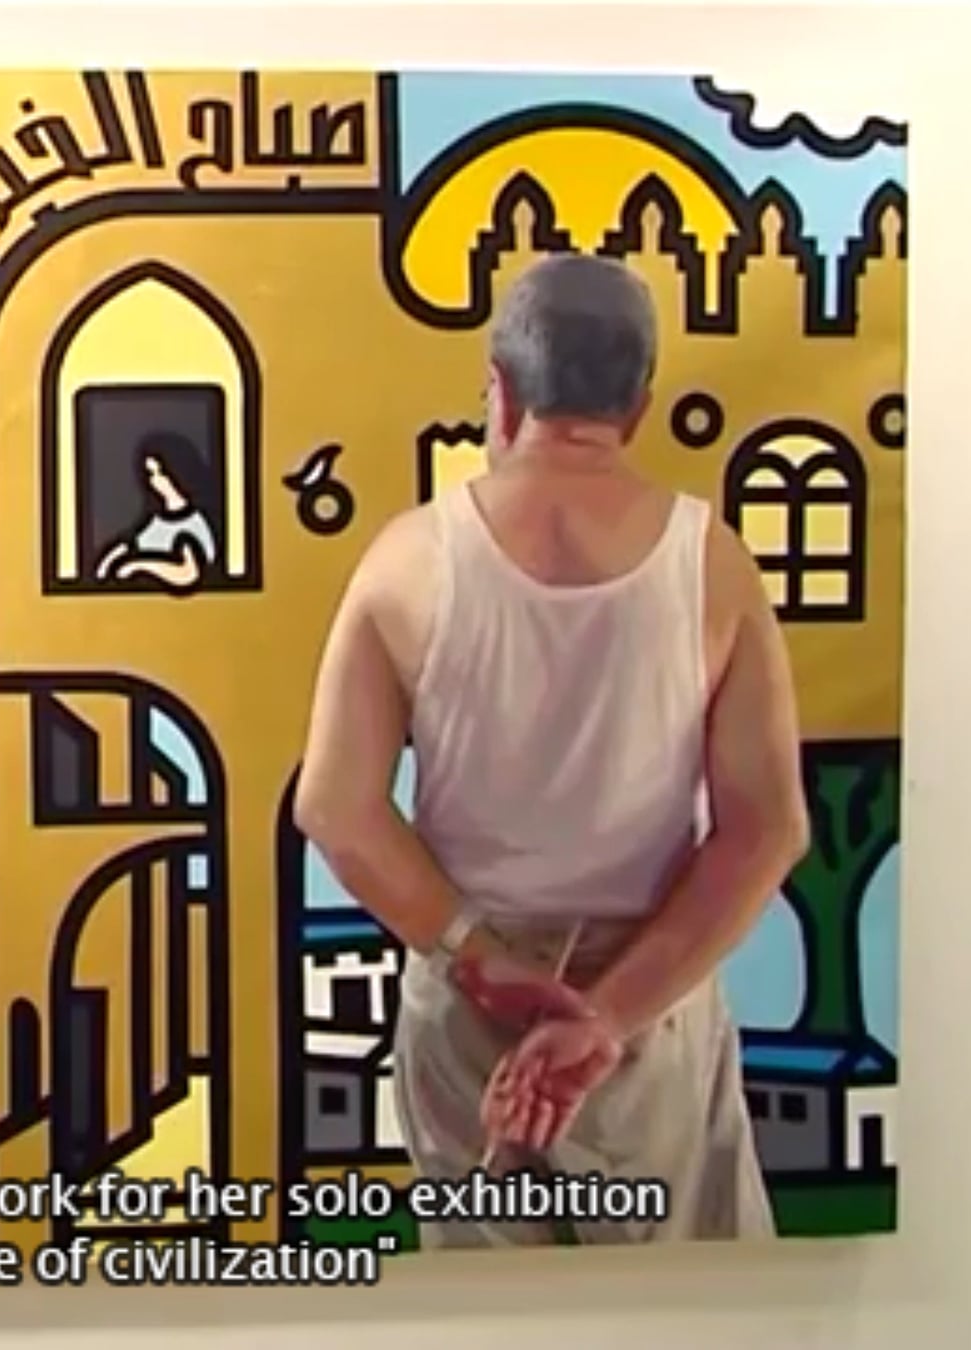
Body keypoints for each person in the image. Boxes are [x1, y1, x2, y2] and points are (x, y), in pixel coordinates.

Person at [290, 254, 809, 1247]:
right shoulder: (715, 564)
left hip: (468, 1018)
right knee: (688, 1311)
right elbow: (767, 828)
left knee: (491, 1307)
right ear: (640, 406)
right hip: (650, 1009)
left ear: (501, 390)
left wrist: (479, 959)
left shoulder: (406, 560)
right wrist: (605, 1018)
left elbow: (335, 807)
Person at [94, 434, 219, 592]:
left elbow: (188, 573)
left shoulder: (194, 524)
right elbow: (133, 544)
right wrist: (106, 566)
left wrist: (138, 565)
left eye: (161, 473)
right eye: (151, 474)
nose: (156, 480)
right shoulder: (154, 521)